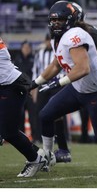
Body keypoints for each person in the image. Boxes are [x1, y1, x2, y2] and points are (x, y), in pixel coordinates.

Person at [30, 0, 97, 171]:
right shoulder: (58, 38)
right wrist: (35, 83)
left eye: (59, 20)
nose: (55, 24)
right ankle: (46, 157)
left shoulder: (75, 35)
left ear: (70, 19)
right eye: (53, 20)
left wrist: (57, 82)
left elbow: (83, 68)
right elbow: (56, 65)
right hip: (78, 88)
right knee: (46, 114)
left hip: (96, 91)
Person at [0, 36, 51, 177]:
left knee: (8, 132)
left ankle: (35, 159)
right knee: (8, 131)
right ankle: (39, 154)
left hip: (11, 86)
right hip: (8, 85)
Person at [31, 33, 71, 163]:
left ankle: (61, 145)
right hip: (43, 85)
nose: (49, 43)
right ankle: (40, 140)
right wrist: (35, 88)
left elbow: (62, 68)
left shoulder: (62, 50)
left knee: (57, 113)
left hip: (58, 83)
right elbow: (37, 71)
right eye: (47, 40)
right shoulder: (40, 53)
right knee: (41, 113)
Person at [13, 40, 37, 141]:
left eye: (28, 47)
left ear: (31, 49)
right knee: (20, 116)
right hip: (20, 91)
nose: (26, 49)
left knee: (33, 116)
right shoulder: (16, 59)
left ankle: (36, 137)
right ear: (21, 48)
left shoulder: (35, 59)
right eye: (24, 47)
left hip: (31, 90)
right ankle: (21, 138)